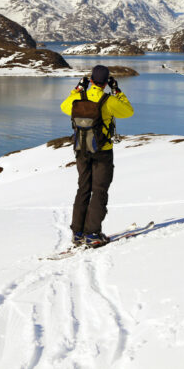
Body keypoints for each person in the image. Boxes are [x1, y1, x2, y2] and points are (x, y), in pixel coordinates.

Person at [60, 65, 134, 247]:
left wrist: (77, 89)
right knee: (99, 191)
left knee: (83, 189)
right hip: (102, 152)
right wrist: (117, 90)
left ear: (91, 80)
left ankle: (77, 233)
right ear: (105, 82)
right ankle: (92, 233)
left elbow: (64, 106)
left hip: (81, 150)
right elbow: (128, 111)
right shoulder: (108, 100)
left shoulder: (78, 97)